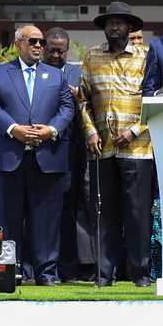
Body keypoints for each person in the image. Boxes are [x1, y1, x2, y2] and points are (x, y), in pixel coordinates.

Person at [0, 24, 75, 285]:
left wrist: (51, 130)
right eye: (32, 41)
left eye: (41, 42)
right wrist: (14, 130)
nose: (38, 46)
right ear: (17, 44)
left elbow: (67, 108)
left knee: (46, 220)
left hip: (47, 157)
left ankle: (46, 273)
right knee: (7, 219)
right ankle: (12, 272)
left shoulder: (56, 76)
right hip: (7, 157)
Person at [79, 2, 153, 286]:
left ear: (130, 27)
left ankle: (141, 274)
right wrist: (90, 132)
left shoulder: (147, 56)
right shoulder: (92, 57)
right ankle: (103, 274)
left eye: (120, 23)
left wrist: (135, 130)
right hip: (101, 149)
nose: (114, 27)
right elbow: (82, 100)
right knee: (103, 214)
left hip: (138, 148)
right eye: (110, 23)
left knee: (137, 213)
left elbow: (155, 98)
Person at [44, 28, 90, 283]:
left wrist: (79, 97)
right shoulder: (35, 73)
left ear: (68, 50)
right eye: (51, 50)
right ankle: (36, 267)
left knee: (70, 212)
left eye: (61, 51)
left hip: (73, 152)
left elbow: (93, 104)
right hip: (43, 149)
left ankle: (69, 269)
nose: (56, 55)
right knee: (43, 212)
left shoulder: (77, 73)